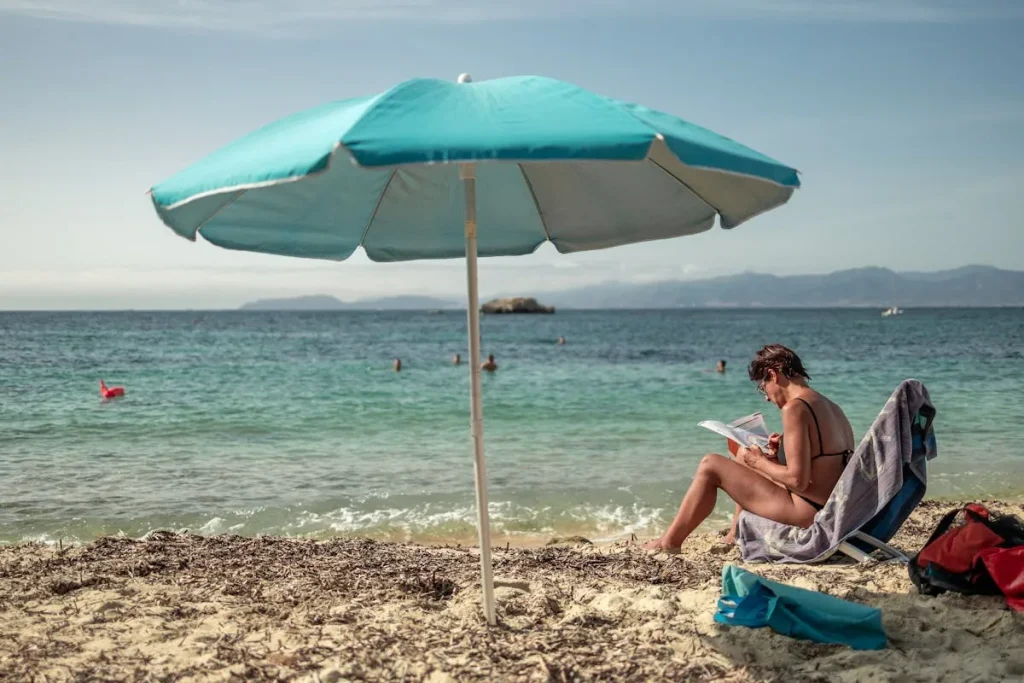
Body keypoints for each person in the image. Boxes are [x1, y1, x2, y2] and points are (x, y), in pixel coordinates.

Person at [643, 344, 855, 553]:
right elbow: (823, 468)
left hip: (809, 512)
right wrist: (775, 458)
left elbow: (797, 480)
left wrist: (760, 462)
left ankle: (669, 543)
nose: (766, 397)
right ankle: (734, 534)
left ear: (772, 374)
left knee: (711, 464)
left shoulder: (795, 407)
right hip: (830, 508)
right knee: (741, 455)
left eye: (763, 388)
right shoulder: (832, 408)